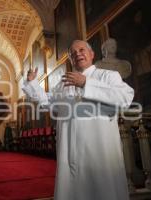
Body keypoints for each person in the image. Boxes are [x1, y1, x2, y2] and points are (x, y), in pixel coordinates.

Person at [22, 40, 134, 200]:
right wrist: (32, 83)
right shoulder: (63, 83)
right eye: (73, 53)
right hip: (70, 150)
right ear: (70, 59)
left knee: (103, 190)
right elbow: (48, 102)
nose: (77, 54)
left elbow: (125, 97)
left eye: (81, 50)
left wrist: (86, 83)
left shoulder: (108, 76)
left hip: (99, 150)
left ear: (91, 54)